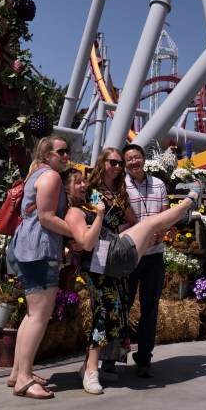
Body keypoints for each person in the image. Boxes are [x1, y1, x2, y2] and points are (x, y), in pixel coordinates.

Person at [63, 160, 203, 387]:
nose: (83, 185)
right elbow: (86, 243)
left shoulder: (89, 205)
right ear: (67, 190)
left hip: (111, 263)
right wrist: (99, 216)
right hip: (104, 265)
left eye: (83, 181)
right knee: (103, 316)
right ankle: (90, 371)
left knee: (113, 316)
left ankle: (91, 364)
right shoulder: (74, 212)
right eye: (77, 183)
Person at [7, 135, 79, 400]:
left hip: (27, 248)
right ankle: (24, 379)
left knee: (31, 314)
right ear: (47, 154)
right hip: (39, 249)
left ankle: (18, 371)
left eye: (67, 151)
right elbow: (46, 217)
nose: (66, 155)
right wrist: (77, 232)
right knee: (39, 315)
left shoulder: (37, 173)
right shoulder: (51, 177)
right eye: (60, 151)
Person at [69, 149, 137, 393]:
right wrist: (72, 241)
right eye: (113, 162)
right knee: (104, 309)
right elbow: (75, 214)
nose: (118, 167)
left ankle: (91, 365)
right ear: (102, 162)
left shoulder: (120, 193)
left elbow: (132, 220)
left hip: (114, 259)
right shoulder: (90, 188)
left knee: (116, 311)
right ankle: (90, 371)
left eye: (120, 163)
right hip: (95, 258)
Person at [122, 141, 169, 378]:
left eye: (136, 157)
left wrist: (157, 236)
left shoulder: (159, 184)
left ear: (143, 159)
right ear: (125, 163)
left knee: (150, 308)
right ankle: (115, 355)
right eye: (129, 159)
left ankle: (144, 359)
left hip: (154, 256)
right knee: (123, 306)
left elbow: (165, 216)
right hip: (130, 256)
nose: (133, 162)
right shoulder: (121, 186)